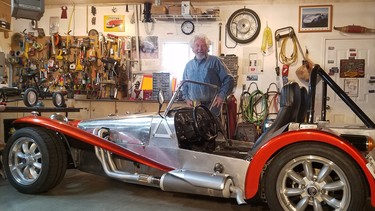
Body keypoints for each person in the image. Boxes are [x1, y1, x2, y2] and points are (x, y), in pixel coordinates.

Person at [182, 34, 234, 116]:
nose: (200, 48)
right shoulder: (189, 65)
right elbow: (184, 84)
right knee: (195, 128)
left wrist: (221, 96)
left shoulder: (215, 61)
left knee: (213, 128)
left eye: (203, 46)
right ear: (192, 49)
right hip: (194, 106)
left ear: (208, 48)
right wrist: (187, 99)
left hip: (212, 105)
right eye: (197, 46)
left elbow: (229, 79)